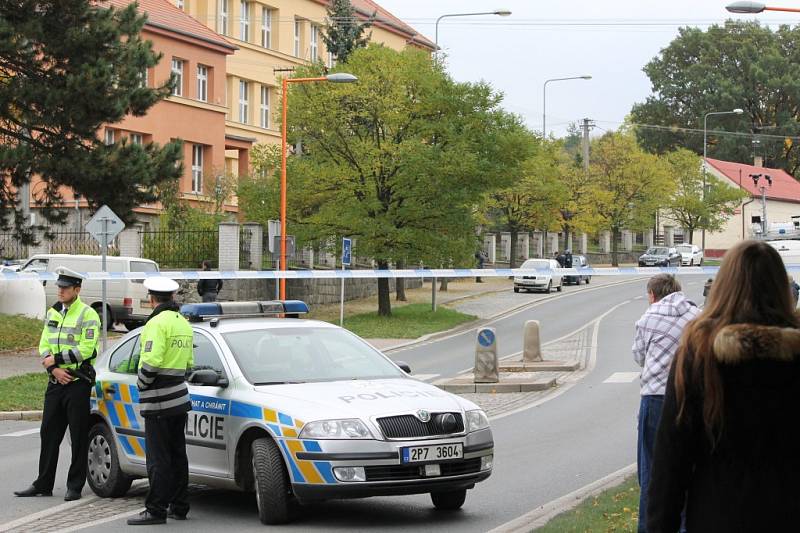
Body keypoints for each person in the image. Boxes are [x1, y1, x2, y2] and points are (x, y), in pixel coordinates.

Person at [648, 240, 800, 532]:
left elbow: (670, 462)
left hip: (718, 514)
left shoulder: (699, 354)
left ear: (723, 287)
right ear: (782, 288)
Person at [14, 267, 100, 502]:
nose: (60, 291)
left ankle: (75, 485)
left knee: (79, 435)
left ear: (77, 289)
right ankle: (43, 483)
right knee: (48, 433)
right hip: (56, 380)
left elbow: (87, 349)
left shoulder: (88, 314)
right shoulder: (54, 312)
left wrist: (59, 361)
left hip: (77, 383)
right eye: (59, 287)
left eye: (65, 287)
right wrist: (53, 368)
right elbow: (44, 344)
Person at [632, 274, 699, 533]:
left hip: (655, 397)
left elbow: (638, 356)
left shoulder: (648, 318)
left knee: (651, 470)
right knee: (687, 469)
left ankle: (649, 527)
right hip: (688, 396)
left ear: (652, 295)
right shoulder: (697, 316)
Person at [128, 278, 194, 526]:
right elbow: (189, 362)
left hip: (157, 400)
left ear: (152, 298)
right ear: (172, 297)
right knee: (178, 454)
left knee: (158, 458)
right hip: (179, 397)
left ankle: (155, 509)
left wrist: (141, 383)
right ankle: (180, 506)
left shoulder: (156, 323)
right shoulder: (183, 322)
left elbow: (152, 360)